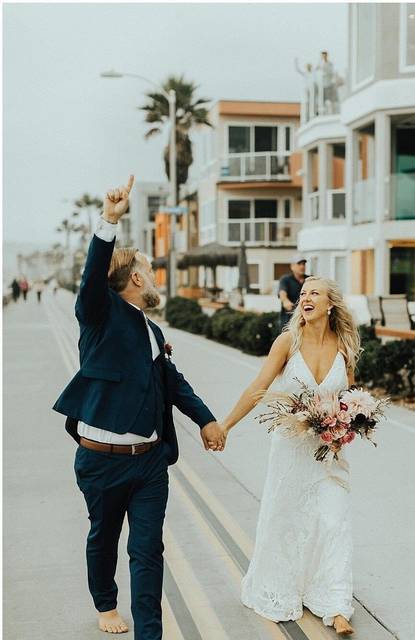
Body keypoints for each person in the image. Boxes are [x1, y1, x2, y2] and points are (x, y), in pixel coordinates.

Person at [52, 175, 225, 639]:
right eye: (149, 270)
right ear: (134, 277)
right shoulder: (99, 315)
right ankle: (105, 604)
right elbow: (92, 280)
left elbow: (173, 382)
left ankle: (150, 634)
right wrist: (109, 220)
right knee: (104, 539)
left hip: (150, 461)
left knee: (148, 550)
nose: (154, 278)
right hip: (101, 461)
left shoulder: (148, 327)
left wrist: (206, 419)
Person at [221, 276, 360, 636]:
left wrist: (350, 422)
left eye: (314, 292)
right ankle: (283, 589)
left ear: (331, 304)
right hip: (290, 450)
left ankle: (335, 602)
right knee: (287, 520)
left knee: (333, 519)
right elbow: (258, 388)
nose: (305, 298)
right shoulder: (287, 342)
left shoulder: (345, 345)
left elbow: (350, 396)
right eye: (303, 294)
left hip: (329, 451)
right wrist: (225, 425)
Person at [278, 256, 308, 329]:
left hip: (306, 318)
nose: (302, 266)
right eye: (299, 264)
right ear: (292, 266)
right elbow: (282, 293)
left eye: (303, 264)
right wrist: (285, 301)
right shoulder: (285, 280)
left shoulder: (309, 279)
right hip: (289, 320)